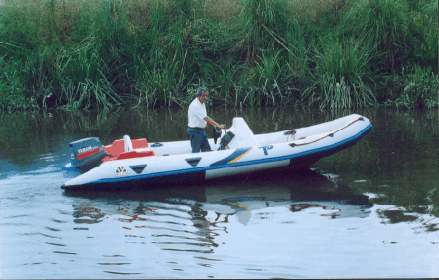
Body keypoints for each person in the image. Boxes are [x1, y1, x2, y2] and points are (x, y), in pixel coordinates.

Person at [187, 87, 225, 153]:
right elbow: (206, 118)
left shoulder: (202, 103)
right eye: (204, 96)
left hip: (201, 131)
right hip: (195, 131)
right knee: (195, 152)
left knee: (207, 150)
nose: (206, 98)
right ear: (198, 96)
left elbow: (205, 116)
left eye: (207, 95)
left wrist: (214, 125)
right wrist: (218, 125)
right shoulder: (195, 105)